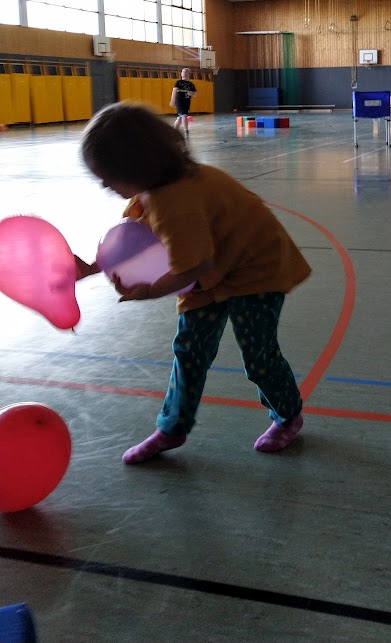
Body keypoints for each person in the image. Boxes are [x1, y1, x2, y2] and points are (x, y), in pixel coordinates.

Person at [74, 102, 311, 464]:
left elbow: (194, 265)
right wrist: (93, 266)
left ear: (134, 166)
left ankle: (288, 415)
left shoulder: (177, 202)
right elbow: (137, 240)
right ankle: (172, 429)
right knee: (190, 351)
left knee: (258, 357)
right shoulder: (150, 191)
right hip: (210, 271)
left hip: (254, 269)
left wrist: (149, 292)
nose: (105, 184)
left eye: (107, 176)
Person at [170, 67, 197, 136]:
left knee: (180, 118)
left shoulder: (191, 84)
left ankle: (174, 130)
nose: (184, 73)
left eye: (186, 72)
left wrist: (192, 93)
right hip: (179, 102)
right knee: (184, 115)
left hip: (186, 102)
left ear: (189, 74)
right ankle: (186, 130)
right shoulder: (178, 82)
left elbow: (195, 94)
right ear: (181, 74)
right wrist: (172, 100)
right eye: (183, 72)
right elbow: (174, 91)